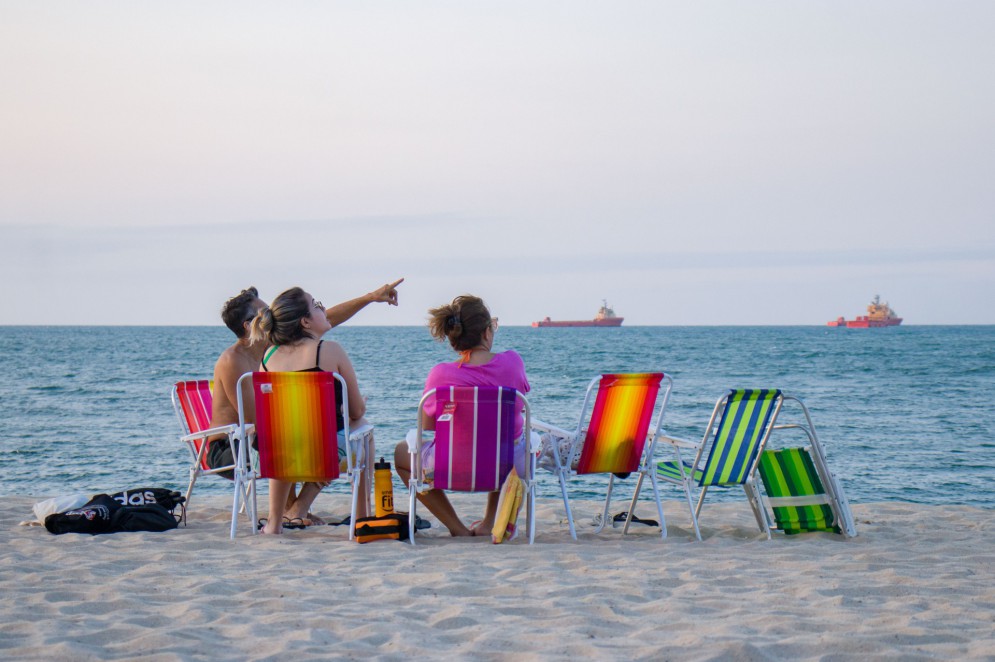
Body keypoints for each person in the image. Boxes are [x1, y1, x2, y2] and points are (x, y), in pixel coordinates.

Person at [205, 279, 401, 489]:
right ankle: (292, 509)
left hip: (269, 436)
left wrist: (369, 298)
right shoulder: (232, 361)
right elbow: (256, 420)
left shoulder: (272, 347)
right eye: (264, 312)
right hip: (230, 447)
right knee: (306, 437)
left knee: (320, 434)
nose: (271, 315)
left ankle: (296, 510)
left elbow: (325, 320)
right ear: (248, 325)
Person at [393, 294, 531, 537]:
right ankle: (489, 522)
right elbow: (517, 407)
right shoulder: (512, 363)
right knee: (500, 439)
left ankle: (456, 528)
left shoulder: (440, 375)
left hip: (450, 467)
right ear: (487, 332)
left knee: (401, 452)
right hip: (509, 466)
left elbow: (427, 425)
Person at [250, 287, 374, 535]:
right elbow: (356, 410)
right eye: (317, 305)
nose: (324, 309)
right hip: (324, 455)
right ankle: (361, 516)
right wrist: (352, 407)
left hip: (273, 455)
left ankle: (274, 523)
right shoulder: (329, 350)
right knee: (364, 428)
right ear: (305, 321)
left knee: (282, 432)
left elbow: (268, 415)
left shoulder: (269, 356)